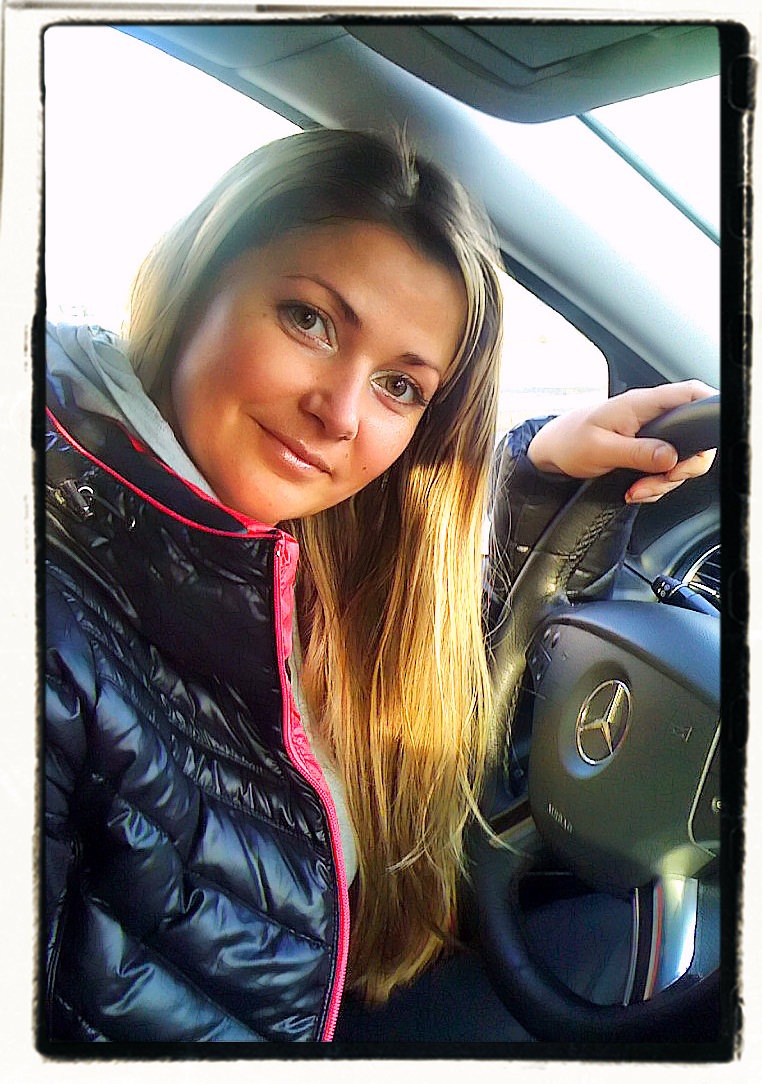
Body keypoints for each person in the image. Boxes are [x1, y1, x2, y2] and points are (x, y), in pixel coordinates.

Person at [43, 128, 716, 1045]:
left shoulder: (284, 554)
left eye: (400, 386)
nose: (340, 414)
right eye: (309, 320)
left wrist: (537, 481)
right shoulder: (51, 613)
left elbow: (423, 623)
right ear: (199, 281)